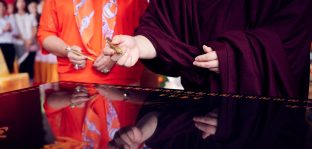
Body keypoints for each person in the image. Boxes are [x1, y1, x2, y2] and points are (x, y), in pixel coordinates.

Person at [104, 0, 312, 99]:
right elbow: (160, 27)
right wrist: (138, 44)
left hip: (260, 118)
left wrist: (236, 56)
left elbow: (289, 36)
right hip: (198, 113)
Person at [37, 0, 156, 87]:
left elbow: (149, 34)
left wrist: (116, 54)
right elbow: (46, 33)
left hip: (123, 80)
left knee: (126, 121)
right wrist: (67, 50)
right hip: (74, 81)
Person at [13, 0, 38, 79]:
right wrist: (25, 41)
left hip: (31, 44)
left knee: (30, 66)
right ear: (16, 4)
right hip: (19, 45)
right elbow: (15, 32)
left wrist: (29, 40)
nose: (21, 4)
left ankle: (31, 86)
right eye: (19, 2)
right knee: (22, 66)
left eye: (23, 2)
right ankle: (23, 87)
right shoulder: (13, 17)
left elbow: (34, 29)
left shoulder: (30, 16)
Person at [0, 0, 18, 73]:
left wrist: (11, 29)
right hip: (1, 46)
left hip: (10, 45)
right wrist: (3, 30)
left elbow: (16, 33)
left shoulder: (10, 18)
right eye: (0, 6)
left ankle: (9, 83)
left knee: (10, 66)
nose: (1, 8)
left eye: (3, 6)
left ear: (5, 8)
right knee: (2, 69)